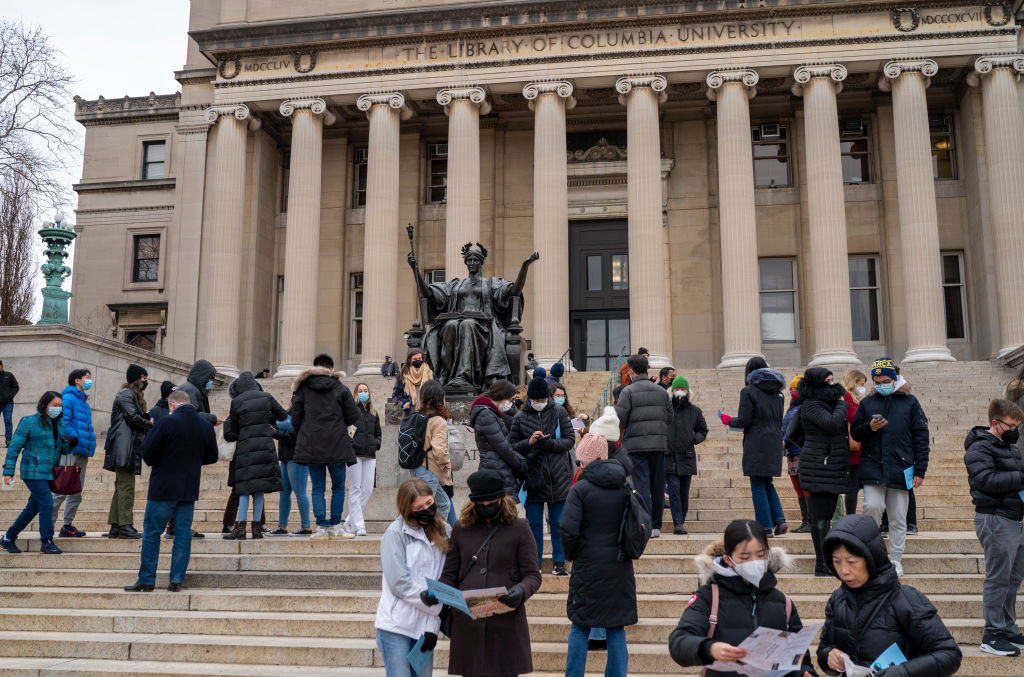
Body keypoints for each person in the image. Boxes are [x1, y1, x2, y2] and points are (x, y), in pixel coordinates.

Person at [430, 469, 542, 677]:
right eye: (481, 505)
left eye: (491, 503)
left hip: (506, 623)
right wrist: (435, 592)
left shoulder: (520, 528)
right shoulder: (461, 529)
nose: (486, 508)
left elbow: (533, 575)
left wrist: (520, 591)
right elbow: (450, 575)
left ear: (501, 500)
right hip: (468, 624)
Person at [669, 519, 816, 676]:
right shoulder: (709, 596)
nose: (755, 562)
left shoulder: (782, 602)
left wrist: (805, 673)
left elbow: (800, 659)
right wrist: (710, 648)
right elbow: (679, 642)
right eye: (745, 557)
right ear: (728, 560)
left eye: (761, 555)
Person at [818, 514, 961, 676]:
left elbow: (949, 654)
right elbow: (825, 647)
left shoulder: (906, 599)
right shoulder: (838, 599)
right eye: (837, 561)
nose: (844, 570)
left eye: (851, 562)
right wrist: (829, 656)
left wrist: (902, 673)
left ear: (871, 558)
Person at [124, 390, 219, 592]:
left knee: (152, 532)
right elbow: (212, 457)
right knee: (183, 534)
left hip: (163, 486)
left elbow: (147, 453)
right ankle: (176, 579)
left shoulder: (165, 423)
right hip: (188, 487)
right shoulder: (205, 425)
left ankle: (147, 579)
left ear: (172, 404)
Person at [560, 432, 637, 676]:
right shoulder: (625, 487)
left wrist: (572, 555)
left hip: (588, 566)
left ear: (586, 458)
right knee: (616, 628)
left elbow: (568, 530)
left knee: (580, 627)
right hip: (619, 565)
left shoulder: (580, 489)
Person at [850, 357, 929, 577]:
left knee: (898, 516)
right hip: (873, 466)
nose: (881, 384)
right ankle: (872, 555)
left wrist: (920, 470)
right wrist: (869, 427)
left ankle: (895, 559)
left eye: (885, 380)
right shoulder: (867, 403)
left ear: (894, 380)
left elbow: (921, 436)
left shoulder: (910, 402)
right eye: (877, 381)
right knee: (871, 508)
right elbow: (856, 431)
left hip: (900, 467)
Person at [964, 398, 1024, 656]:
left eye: (1018, 426)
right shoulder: (978, 448)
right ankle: (992, 634)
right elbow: (986, 481)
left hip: (1014, 518)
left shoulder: (1011, 449)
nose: (1015, 431)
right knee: (998, 578)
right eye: (1011, 425)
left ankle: (1008, 628)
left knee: (1013, 578)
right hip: (995, 518)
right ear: (995, 423)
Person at [375, 478, 450, 677]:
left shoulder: (444, 530)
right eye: (419, 507)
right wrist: (432, 604)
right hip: (395, 626)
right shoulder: (395, 534)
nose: (426, 509)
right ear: (407, 508)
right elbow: (399, 583)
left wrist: (432, 627)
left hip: (426, 628)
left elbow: (444, 580)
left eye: (429, 503)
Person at [510, 373, 574, 575]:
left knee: (558, 522)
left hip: (558, 476)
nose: (540, 403)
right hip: (533, 477)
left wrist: (550, 444)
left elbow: (570, 440)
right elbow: (512, 446)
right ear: (529, 399)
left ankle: (559, 561)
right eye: (536, 400)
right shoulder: (519, 418)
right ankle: (533, 564)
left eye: (543, 400)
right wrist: (529, 442)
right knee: (534, 524)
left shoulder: (559, 413)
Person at [292, 353, 360, 540]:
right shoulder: (340, 388)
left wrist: (307, 432)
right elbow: (354, 416)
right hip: (337, 443)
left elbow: (295, 418)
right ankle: (336, 526)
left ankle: (321, 527)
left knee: (317, 487)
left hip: (312, 444)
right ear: (331, 369)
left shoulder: (303, 389)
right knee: (338, 486)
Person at [788, 368, 849, 576]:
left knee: (828, 516)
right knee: (820, 517)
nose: (832, 385)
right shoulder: (812, 404)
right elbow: (831, 424)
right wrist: (842, 403)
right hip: (818, 467)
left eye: (833, 381)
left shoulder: (822, 403)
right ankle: (822, 563)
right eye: (827, 382)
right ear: (816, 384)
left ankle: (827, 561)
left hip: (828, 465)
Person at [719, 357, 787, 536]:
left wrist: (727, 420)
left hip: (757, 441)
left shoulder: (748, 391)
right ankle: (779, 520)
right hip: (773, 440)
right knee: (768, 482)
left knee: (757, 484)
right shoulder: (779, 393)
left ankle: (765, 526)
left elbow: (744, 420)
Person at [0, 391, 74, 555]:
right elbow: (14, 447)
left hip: (48, 472)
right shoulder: (29, 422)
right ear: (45, 404)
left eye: (60, 406)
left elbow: (62, 449)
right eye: (55, 405)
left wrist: (70, 444)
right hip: (32, 470)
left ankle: (8, 537)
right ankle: (47, 541)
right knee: (47, 502)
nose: (58, 408)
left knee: (32, 508)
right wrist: (8, 471)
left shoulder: (60, 424)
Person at [222, 371, 286, 540]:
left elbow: (234, 429)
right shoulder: (267, 397)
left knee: (244, 489)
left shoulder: (237, 401)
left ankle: (241, 528)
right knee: (260, 490)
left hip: (246, 448)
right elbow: (282, 416)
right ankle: (256, 529)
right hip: (265, 447)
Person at [615, 353, 672, 537]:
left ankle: (645, 523)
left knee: (641, 485)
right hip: (659, 444)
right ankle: (656, 525)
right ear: (647, 370)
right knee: (657, 486)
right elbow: (670, 417)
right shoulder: (662, 392)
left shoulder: (628, 391)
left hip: (636, 445)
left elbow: (620, 420)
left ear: (630, 371)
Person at [103, 364, 151, 540]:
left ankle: (116, 525)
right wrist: (150, 423)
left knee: (121, 486)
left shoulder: (130, 396)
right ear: (136, 379)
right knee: (126, 486)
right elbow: (132, 417)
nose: (146, 382)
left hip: (127, 446)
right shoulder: (125, 394)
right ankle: (125, 525)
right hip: (123, 447)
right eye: (143, 378)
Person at [52, 368, 96, 538]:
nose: (89, 380)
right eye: (87, 378)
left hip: (82, 450)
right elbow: (64, 422)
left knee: (76, 491)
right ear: (77, 380)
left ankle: (67, 525)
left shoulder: (84, 402)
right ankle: (47, 526)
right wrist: (75, 439)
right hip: (71, 450)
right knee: (62, 489)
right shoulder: (69, 398)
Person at [471, 379, 527, 498]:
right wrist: (521, 465)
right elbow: (503, 447)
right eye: (511, 400)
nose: (511, 403)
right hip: (495, 469)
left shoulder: (491, 413)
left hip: (497, 467)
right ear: (503, 396)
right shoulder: (486, 414)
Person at [666, 375, 707, 535]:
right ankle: (677, 523)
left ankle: (681, 521)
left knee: (683, 492)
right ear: (672, 390)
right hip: (668, 457)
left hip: (686, 457)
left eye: (683, 389)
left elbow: (703, 430)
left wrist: (694, 439)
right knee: (674, 491)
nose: (680, 391)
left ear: (688, 391)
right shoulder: (666, 409)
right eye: (677, 388)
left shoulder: (695, 411)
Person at [414, 381, 455, 525]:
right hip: (431, 470)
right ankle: (433, 535)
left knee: (444, 504)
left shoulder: (418, 417)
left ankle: (449, 538)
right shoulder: (438, 421)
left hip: (416, 468)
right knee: (429, 510)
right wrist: (446, 467)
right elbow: (440, 449)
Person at [344, 383, 382, 536]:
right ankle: (359, 526)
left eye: (365, 390)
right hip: (354, 454)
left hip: (370, 454)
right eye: (360, 391)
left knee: (367, 490)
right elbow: (346, 432)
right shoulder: (351, 412)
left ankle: (348, 522)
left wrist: (376, 444)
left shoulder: (374, 413)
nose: (363, 393)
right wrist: (353, 445)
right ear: (355, 393)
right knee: (355, 489)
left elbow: (378, 432)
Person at [269, 411, 311, 535]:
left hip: (298, 458)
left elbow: (294, 436)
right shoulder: (287, 413)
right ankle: (282, 526)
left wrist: (275, 433)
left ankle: (306, 527)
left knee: (300, 493)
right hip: (285, 458)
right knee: (284, 493)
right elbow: (274, 419)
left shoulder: (304, 414)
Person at [782, 376, 810, 534]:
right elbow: (785, 427)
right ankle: (805, 521)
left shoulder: (806, 407)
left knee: (805, 487)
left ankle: (810, 521)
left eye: (796, 389)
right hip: (791, 453)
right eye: (791, 389)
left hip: (801, 451)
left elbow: (797, 429)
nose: (793, 392)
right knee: (798, 489)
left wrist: (785, 439)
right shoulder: (791, 409)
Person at [841, 369, 867, 516]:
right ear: (853, 382)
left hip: (858, 448)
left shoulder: (854, 398)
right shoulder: (847, 397)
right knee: (852, 485)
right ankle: (850, 516)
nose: (861, 387)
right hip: (853, 448)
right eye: (860, 383)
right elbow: (853, 416)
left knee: (856, 484)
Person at [394, 349, 435, 415]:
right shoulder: (402, 376)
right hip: (410, 414)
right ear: (409, 360)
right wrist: (404, 403)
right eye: (415, 359)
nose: (418, 361)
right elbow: (396, 395)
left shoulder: (430, 373)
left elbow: (438, 390)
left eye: (419, 358)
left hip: (428, 413)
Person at [0, 359, 20, 446]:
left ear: (1, 366)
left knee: (8, 420)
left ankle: (8, 440)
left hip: (7, 403)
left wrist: (10, 395)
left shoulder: (9, 375)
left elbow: (16, 387)